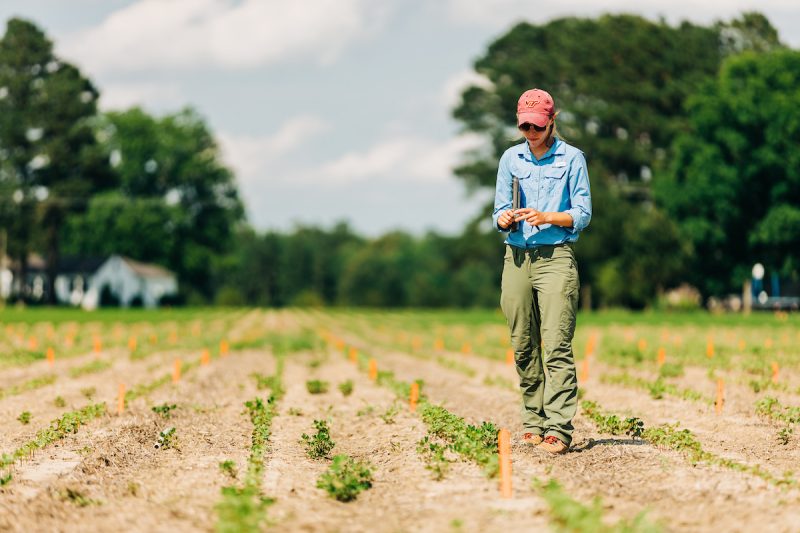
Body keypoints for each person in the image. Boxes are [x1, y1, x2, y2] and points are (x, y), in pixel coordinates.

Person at [493, 88, 592, 454]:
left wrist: (547, 216)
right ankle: (532, 420)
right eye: (524, 127)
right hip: (516, 258)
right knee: (522, 344)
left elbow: (583, 212)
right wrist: (503, 218)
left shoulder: (572, 159)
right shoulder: (510, 159)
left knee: (556, 345)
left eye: (537, 126)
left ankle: (558, 427)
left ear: (552, 120)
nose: (531, 133)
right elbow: (498, 210)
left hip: (556, 258)